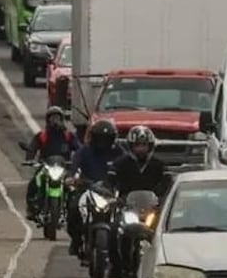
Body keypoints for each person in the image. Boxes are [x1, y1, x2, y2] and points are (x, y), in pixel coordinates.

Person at [66, 120, 122, 255]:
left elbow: (128, 163)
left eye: (106, 138)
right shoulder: (85, 151)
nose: (103, 142)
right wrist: (71, 177)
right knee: (73, 208)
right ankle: (76, 240)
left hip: (111, 191)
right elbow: (74, 165)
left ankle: (120, 248)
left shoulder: (118, 151)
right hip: (87, 188)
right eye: (100, 138)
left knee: (126, 215)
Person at [24, 107, 79, 220]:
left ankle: (74, 210)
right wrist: (30, 159)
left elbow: (79, 149)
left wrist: (78, 161)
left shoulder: (68, 136)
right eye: (52, 118)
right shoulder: (42, 135)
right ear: (48, 120)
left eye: (57, 117)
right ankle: (31, 208)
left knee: (74, 187)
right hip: (46, 167)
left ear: (62, 119)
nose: (55, 120)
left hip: (64, 168)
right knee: (33, 183)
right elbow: (32, 148)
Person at [109, 126, 169, 198]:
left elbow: (167, 183)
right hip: (125, 205)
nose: (141, 149)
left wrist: (160, 194)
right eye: (137, 145)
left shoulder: (159, 165)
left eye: (144, 145)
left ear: (150, 146)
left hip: (153, 206)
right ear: (131, 146)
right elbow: (110, 182)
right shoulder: (120, 163)